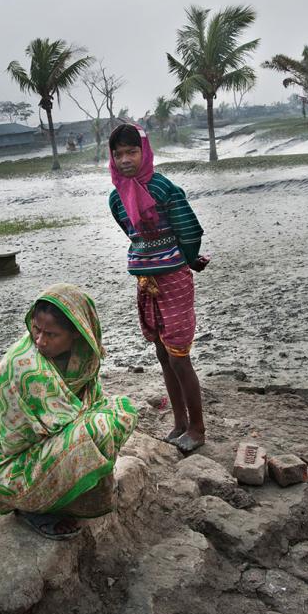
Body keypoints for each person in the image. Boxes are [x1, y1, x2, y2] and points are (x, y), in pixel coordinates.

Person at [0, 284, 138, 540]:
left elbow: (91, 404)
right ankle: (34, 508)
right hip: (11, 464)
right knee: (97, 430)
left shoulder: (83, 358)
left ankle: (67, 496)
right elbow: (32, 436)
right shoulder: (24, 366)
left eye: (51, 334)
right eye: (36, 330)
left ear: (77, 333)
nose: (40, 340)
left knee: (122, 411)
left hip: (45, 447)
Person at [107, 123, 209, 455]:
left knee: (179, 355)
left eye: (132, 152)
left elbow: (189, 230)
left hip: (173, 279)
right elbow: (132, 233)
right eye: (118, 154)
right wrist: (152, 256)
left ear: (145, 152)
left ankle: (197, 428)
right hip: (145, 280)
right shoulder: (116, 196)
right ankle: (179, 423)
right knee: (162, 353)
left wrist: (189, 259)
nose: (125, 159)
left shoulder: (165, 189)